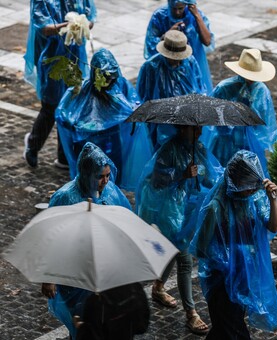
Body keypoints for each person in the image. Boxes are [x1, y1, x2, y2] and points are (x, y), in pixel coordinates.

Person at [135, 125, 222, 335]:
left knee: (174, 252)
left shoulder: (197, 147)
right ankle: (191, 313)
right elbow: (157, 179)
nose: (200, 132)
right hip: (170, 211)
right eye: (195, 129)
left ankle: (158, 286)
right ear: (183, 128)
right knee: (184, 259)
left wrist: (200, 173)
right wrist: (182, 174)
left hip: (188, 209)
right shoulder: (168, 150)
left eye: (200, 128)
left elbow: (207, 173)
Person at [41, 142, 132, 339]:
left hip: (104, 269)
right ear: (87, 173)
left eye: (108, 176)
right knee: (81, 324)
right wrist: (49, 278)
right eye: (100, 176)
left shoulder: (110, 192)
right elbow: (51, 237)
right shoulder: (66, 197)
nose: (105, 181)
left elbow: (125, 221)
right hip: (74, 273)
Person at [190, 150, 277, 339]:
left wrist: (273, 200)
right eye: (250, 186)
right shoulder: (216, 207)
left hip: (244, 275)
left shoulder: (252, 200)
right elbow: (201, 247)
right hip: (222, 281)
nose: (254, 190)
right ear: (237, 183)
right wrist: (228, 256)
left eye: (256, 185)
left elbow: (272, 226)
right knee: (233, 330)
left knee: (225, 329)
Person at [55, 48, 152, 191]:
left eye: (113, 77)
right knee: (89, 179)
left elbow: (134, 103)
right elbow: (62, 114)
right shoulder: (81, 90)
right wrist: (76, 125)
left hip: (112, 141)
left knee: (111, 176)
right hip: (88, 143)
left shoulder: (121, 84)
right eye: (108, 78)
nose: (111, 82)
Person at [23, 0, 96, 169]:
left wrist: (83, 25)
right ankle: (33, 145)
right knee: (51, 106)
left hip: (75, 55)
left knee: (71, 104)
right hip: (51, 57)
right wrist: (67, 26)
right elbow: (43, 27)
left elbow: (90, 17)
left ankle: (64, 155)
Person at [201, 48, 277, 175]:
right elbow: (211, 113)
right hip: (225, 143)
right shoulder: (225, 88)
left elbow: (266, 123)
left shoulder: (261, 91)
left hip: (250, 144)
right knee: (223, 176)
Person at [137, 30, 207, 150]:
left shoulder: (190, 63)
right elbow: (143, 97)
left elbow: (200, 88)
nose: (176, 60)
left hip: (187, 120)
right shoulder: (151, 67)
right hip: (161, 122)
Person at [144, 0, 214, 92]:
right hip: (168, 66)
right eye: (174, 9)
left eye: (180, 8)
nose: (177, 12)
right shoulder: (159, 16)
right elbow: (151, 45)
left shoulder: (194, 15)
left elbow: (207, 41)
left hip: (193, 65)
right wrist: (168, 35)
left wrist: (197, 16)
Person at [74, 282, 150, 340]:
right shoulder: (136, 289)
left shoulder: (94, 302)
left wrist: (80, 325)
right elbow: (142, 327)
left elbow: (89, 336)